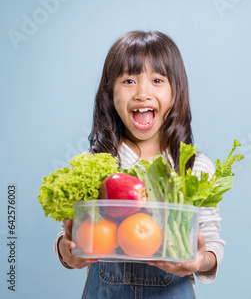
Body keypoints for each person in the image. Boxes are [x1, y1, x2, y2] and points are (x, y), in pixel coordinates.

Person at [53, 30, 225, 298]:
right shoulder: (95, 164)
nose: (142, 93)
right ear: (110, 93)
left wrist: (198, 260)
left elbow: (212, 244)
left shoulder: (195, 167)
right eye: (129, 80)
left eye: (157, 80)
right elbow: (70, 235)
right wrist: (66, 251)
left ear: (176, 92)